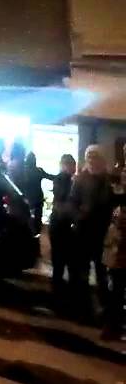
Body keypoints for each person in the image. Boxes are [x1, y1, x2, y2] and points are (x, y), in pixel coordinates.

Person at [71, 144, 116, 321]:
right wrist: (78, 217)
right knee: (82, 270)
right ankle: (83, 306)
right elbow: (73, 202)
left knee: (101, 272)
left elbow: (114, 203)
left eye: (95, 156)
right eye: (89, 156)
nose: (91, 160)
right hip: (83, 232)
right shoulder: (80, 179)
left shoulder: (108, 179)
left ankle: (104, 308)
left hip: (102, 233)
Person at [49, 154, 79, 308]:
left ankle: (61, 296)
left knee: (62, 263)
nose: (73, 168)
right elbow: (63, 200)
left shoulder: (68, 179)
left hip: (61, 226)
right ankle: (60, 298)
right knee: (62, 263)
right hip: (60, 226)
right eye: (71, 165)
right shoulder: (63, 179)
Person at [103, 206, 126, 341]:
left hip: (117, 263)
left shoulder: (116, 222)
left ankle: (111, 328)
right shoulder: (118, 225)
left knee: (115, 295)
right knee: (117, 296)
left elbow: (108, 242)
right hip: (119, 263)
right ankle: (113, 328)